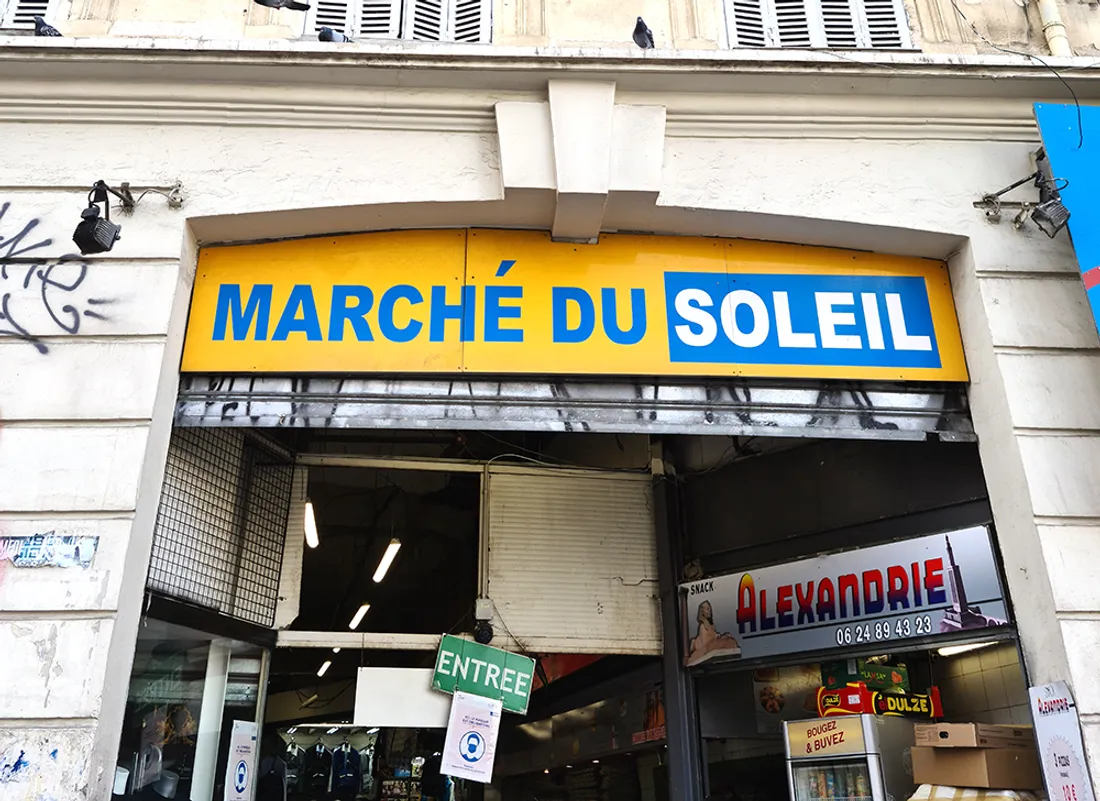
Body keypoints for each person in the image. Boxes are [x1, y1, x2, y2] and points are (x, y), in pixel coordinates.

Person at [687, 600, 740, 666]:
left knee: (728, 639)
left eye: (710, 609)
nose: (710, 611)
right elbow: (705, 643)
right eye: (707, 609)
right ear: (702, 612)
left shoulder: (711, 624)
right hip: (703, 646)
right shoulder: (703, 626)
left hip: (710, 645)